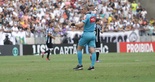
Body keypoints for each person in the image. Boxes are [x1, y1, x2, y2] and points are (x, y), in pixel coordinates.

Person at [71, 5, 97, 70]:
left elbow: (80, 25)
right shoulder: (93, 15)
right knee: (92, 50)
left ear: (85, 10)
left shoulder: (87, 16)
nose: (81, 10)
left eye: (82, 9)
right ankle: (92, 66)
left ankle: (80, 65)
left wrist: (74, 24)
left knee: (79, 48)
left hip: (86, 34)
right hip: (93, 34)